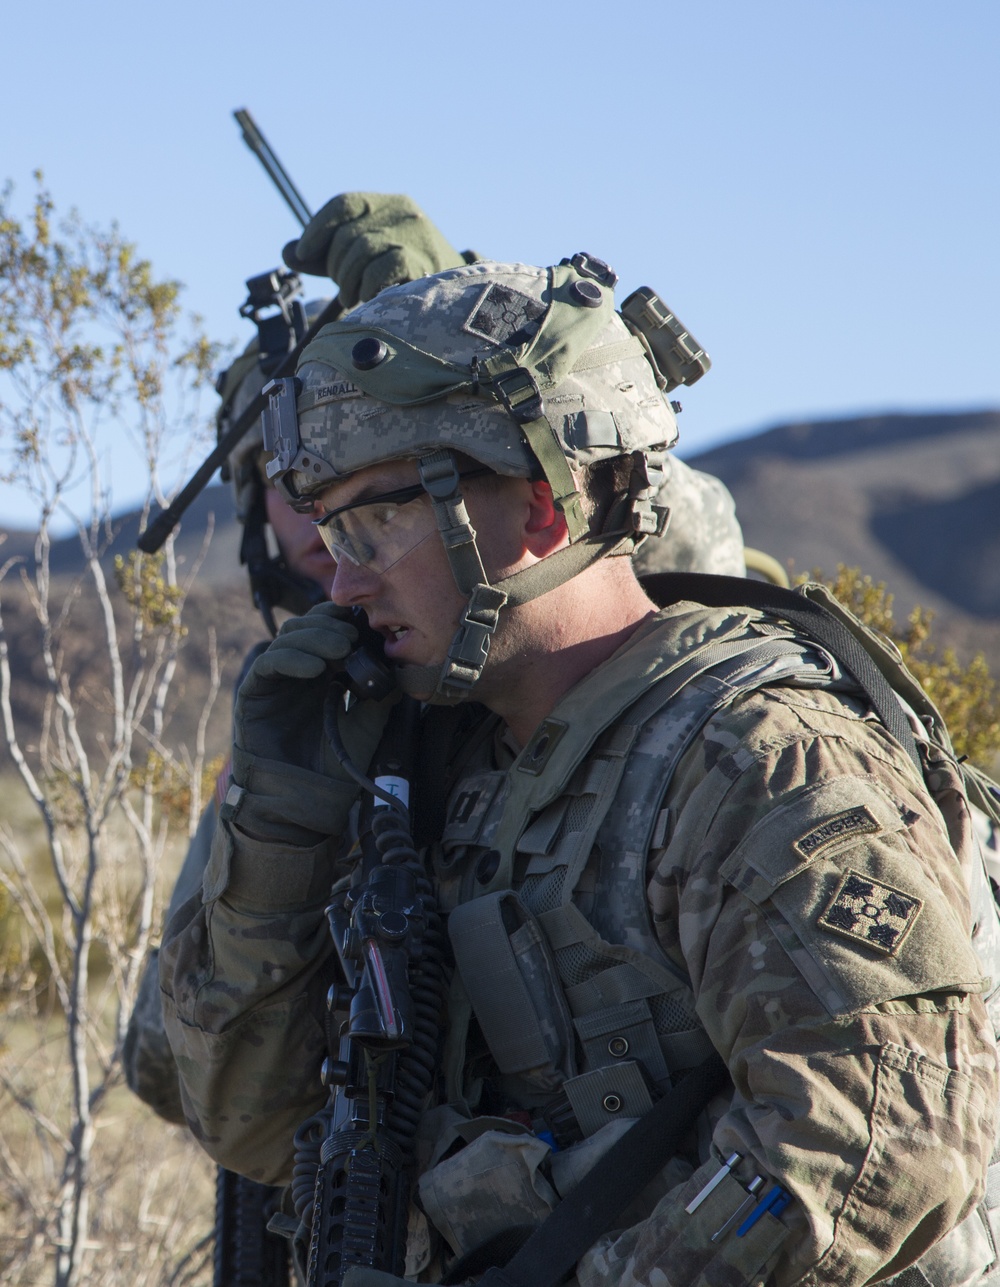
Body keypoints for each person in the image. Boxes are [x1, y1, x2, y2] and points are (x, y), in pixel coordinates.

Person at [159, 254, 1000, 1286]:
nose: (342, 579)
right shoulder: (432, 773)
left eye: (377, 523)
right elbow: (254, 1127)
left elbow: (877, 1144)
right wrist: (278, 831)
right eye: (332, 532)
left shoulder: (760, 757)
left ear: (542, 514)